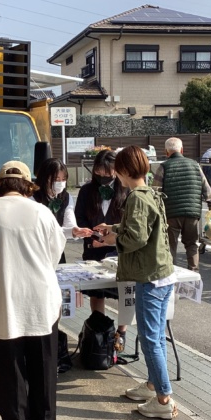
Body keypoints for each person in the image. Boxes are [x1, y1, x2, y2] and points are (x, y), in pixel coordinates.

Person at [0, 161, 66, 420]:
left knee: (8, 362)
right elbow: (55, 253)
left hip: (3, 296)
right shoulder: (42, 212)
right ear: (26, 185)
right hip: (40, 296)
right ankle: (44, 418)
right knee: (43, 359)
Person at [94, 146, 177, 420]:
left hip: (150, 278)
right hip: (162, 274)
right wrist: (114, 228)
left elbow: (137, 238)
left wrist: (111, 239)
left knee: (151, 338)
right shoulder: (151, 192)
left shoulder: (135, 198)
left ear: (125, 171)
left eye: (117, 169)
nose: (115, 174)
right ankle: (153, 385)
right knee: (156, 338)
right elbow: (141, 229)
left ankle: (163, 398)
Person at [74, 150, 130, 350]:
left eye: (108, 173)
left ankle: (121, 333)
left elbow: (129, 224)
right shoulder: (87, 191)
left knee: (125, 291)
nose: (103, 176)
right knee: (97, 292)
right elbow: (79, 218)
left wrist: (111, 240)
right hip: (93, 248)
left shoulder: (126, 190)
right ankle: (99, 329)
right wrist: (91, 236)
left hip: (120, 250)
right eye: (99, 172)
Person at [153, 137, 211, 272]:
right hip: (192, 213)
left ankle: (171, 275)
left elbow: (155, 192)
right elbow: (206, 188)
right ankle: (193, 274)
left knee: (170, 245)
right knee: (192, 244)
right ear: (182, 150)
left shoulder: (163, 167)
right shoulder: (195, 165)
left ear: (166, 152)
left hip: (170, 214)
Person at [32, 158, 92, 263]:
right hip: (35, 253)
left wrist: (74, 231)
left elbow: (69, 223)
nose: (61, 183)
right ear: (44, 178)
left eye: (63, 179)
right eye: (56, 179)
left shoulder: (66, 197)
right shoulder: (32, 198)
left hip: (57, 252)